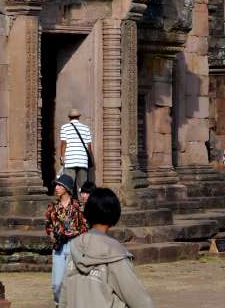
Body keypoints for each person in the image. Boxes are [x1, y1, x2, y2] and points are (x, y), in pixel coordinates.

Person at [59, 188, 153, 308]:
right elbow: (140, 301)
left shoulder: (76, 246)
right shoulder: (115, 254)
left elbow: (64, 297)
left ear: (87, 213)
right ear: (115, 215)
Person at [45, 174, 87, 305]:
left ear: (67, 188)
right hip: (58, 246)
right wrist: (52, 236)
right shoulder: (52, 207)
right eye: (56, 185)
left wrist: (73, 233)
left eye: (59, 185)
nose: (56, 188)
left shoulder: (78, 206)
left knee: (74, 281)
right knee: (57, 284)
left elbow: (85, 226)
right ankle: (59, 304)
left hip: (74, 245)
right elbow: (48, 226)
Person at [58, 109, 93, 191]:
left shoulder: (64, 127)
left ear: (69, 117)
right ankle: (82, 202)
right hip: (83, 160)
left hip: (70, 159)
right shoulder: (85, 128)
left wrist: (62, 157)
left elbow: (63, 143)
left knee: (68, 184)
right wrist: (88, 158)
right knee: (82, 185)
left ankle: (70, 203)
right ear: (79, 117)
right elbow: (89, 146)